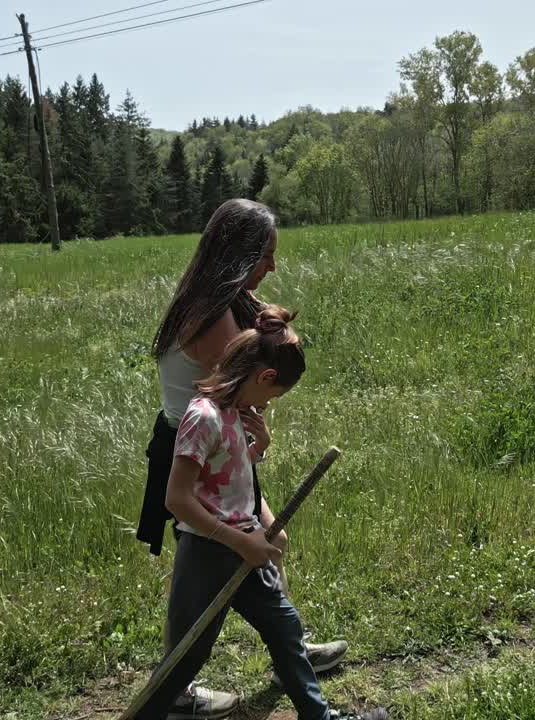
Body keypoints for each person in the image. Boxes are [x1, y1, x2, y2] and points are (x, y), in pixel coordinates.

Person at [138, 199, 347, 719]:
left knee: (258, 546)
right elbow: (248, 381)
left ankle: (287, 646)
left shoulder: (232, 299)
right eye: (266, 254)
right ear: (239, 253)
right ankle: (177, 689)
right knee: (204, 576)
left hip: (222, 450)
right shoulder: (211, 318)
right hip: (200, 455)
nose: (272, 266)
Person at [137, 306, 387, 720]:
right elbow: (178, 499)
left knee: (285, 630)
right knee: (186, 656)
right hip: (207, 554)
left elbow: (229, 477)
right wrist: (240, 541)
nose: (269, 404)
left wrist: (260, 455)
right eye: (274, 395)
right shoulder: (203, 418)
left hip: (246, 546)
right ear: (265, 377)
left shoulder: (237, 415)